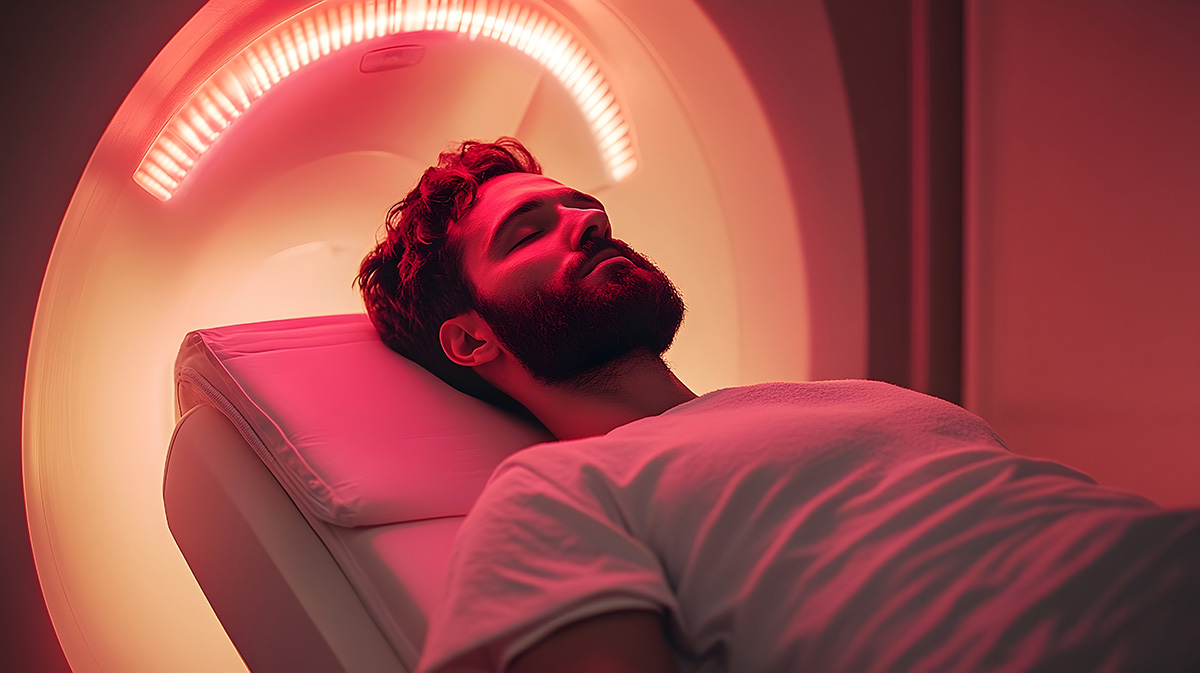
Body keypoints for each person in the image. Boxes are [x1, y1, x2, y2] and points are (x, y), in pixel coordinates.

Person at [357, 138, 1199, 673]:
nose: (588, 222)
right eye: (526, 232)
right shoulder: (556, 491)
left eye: (585, 206)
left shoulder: (872, 399)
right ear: (470, 340)